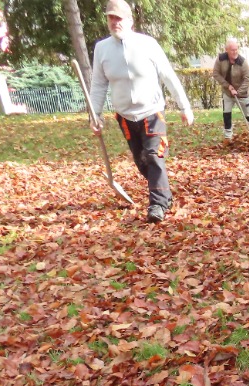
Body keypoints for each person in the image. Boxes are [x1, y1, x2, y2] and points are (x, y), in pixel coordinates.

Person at [89, 0, 194, 224]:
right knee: (142, 161)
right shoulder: (102, 49)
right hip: (125, 116)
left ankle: (158, 204)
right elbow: (98, 84)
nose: (115, 22)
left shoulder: (148, 44)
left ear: (130, 21)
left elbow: (168, 75)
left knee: (153, 155)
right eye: (111, 18)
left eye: (119, 18)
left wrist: (184, 106)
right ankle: (164, 193)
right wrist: (95, 115)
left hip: (152, 112)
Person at [211, 38, 249, 140]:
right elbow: (216, 74)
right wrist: (228, 86)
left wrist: (238, 92)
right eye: (232, 50)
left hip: (242, 94)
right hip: (227, 93)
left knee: (248, 115)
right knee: (226, 114)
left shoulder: (242, 62)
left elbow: (248, 80)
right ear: (227, 50)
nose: (235, 52)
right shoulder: (221, 59)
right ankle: (228, 138)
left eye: (236, 49)